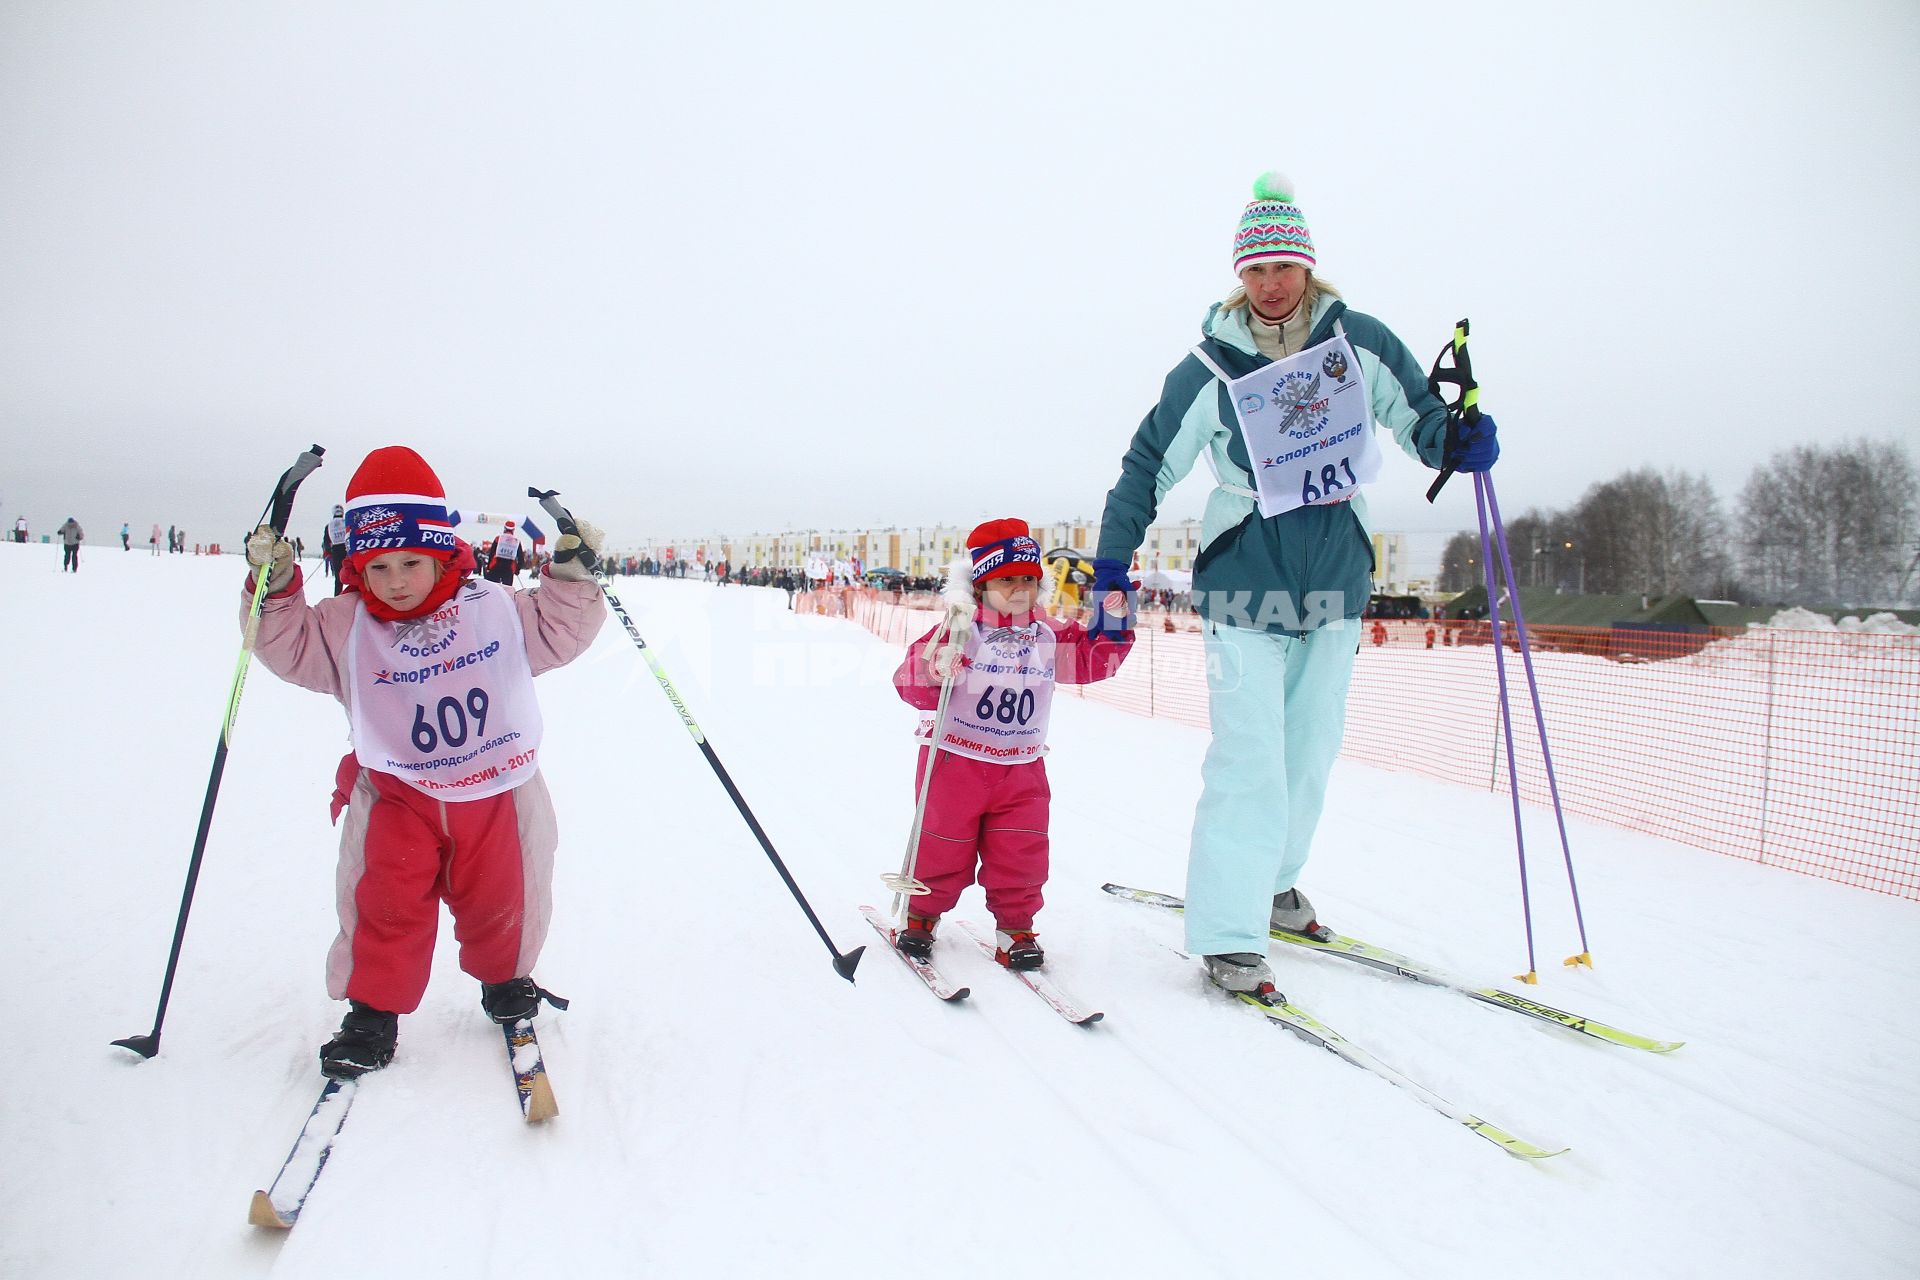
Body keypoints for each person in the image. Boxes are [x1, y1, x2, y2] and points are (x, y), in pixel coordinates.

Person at [1093, 172, 1500, 998]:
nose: (1271, 284)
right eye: (1255, 271)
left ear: (1308, 266)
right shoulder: (1209, 366)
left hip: (1335, 580)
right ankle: (1228, 931)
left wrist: (1456, 442)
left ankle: (1272, 886)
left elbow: (1418, 419)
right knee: (1251, 759)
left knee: (1309, 752)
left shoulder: (1359, 341)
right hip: (1246, 580)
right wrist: (1110, 567)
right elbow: (1146, 467)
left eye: (1284, 266)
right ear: (1236, 279)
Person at [242, 446, 608, 1080]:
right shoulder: (346, 625)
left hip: (497, 791)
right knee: (383, 901)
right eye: (377, 566)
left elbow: (556, 632)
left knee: (508, 894)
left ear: (441, 551)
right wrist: (272, 589)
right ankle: (372, 1011)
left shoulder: (492, 607)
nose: (396, 580)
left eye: (411, 562)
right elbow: (288, 645)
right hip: (396, 795)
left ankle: (507, 979)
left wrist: (570, 581)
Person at [888, 519, 1134, 969]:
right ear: (981, 585)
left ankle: (1016, 925)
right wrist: (935, 668)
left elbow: (1096, 660)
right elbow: (908, 683)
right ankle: (922, 912)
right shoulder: (960, 629)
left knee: (1021, 848)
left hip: (1021, 766)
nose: (1020, 588)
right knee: (942, 842)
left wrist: (1115, 615)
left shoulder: (1048, 634)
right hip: (955, 761)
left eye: (1028, 578)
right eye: (1007, 579)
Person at [321, 503, 350, 595]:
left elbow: (326, 541)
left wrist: (328, 551)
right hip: (348, 551)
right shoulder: (347, 522)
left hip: (336, 552)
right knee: (353, 575)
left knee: (338, 578)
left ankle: (337, 597)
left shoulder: (329, 526)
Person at [485, 520, 524, 585]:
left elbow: (491, 553)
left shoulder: (498, 538)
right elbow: (521, 558)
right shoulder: (517, 541)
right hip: (509, 568)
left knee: (491, 587)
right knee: (507, 590)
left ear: (505, 528)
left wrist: (489, 566)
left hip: (496, 566)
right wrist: (517, 569)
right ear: (513, 530)